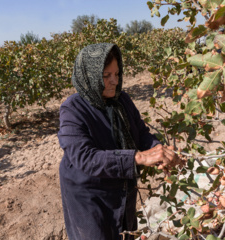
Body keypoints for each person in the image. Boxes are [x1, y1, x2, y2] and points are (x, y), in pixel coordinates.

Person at [58, 43, 181, 240]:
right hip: (90, 196)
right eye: (106, 76)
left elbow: (141, 133)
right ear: (89, 75)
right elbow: (85, 158)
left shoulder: (122, 100)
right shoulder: (72, 110)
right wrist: (138, 157)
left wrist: (158, 150)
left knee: (124, 231)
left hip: (122, 189)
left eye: (117, 74)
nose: (114, 81)